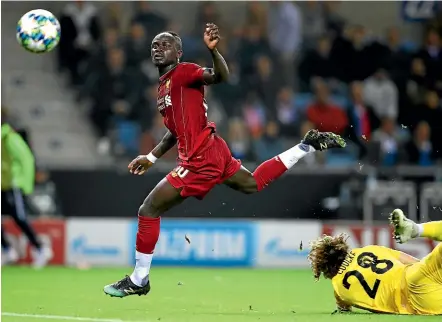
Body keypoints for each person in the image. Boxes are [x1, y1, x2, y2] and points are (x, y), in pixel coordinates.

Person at [103, 23, 346, 297]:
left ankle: (139, 279)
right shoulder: (164, 87)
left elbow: (220, 76)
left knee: (148, 210)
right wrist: (151, 156)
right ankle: (305, 146)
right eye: (155, 46)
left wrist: (214, 50)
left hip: (199, 159)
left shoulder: (184, 71)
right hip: (212, 149)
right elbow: (175, 131)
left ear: (179, 53)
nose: (158, 49)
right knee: (252, 183)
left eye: (165, 45)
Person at [307, 209, 441, 315]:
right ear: (341, 247)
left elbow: (344, 307)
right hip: (416, 274)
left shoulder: (339, 289)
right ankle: (416, 229)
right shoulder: (368, 250)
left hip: (418, 302)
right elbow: (411, 261)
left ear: (323, 269)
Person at [1, 122, 52, 268]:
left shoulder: (10, 138)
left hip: (13, 184)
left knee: (19, 217)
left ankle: (40, 248)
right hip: (3, 184)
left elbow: (26, 159)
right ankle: (6, 250)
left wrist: (24, 184)